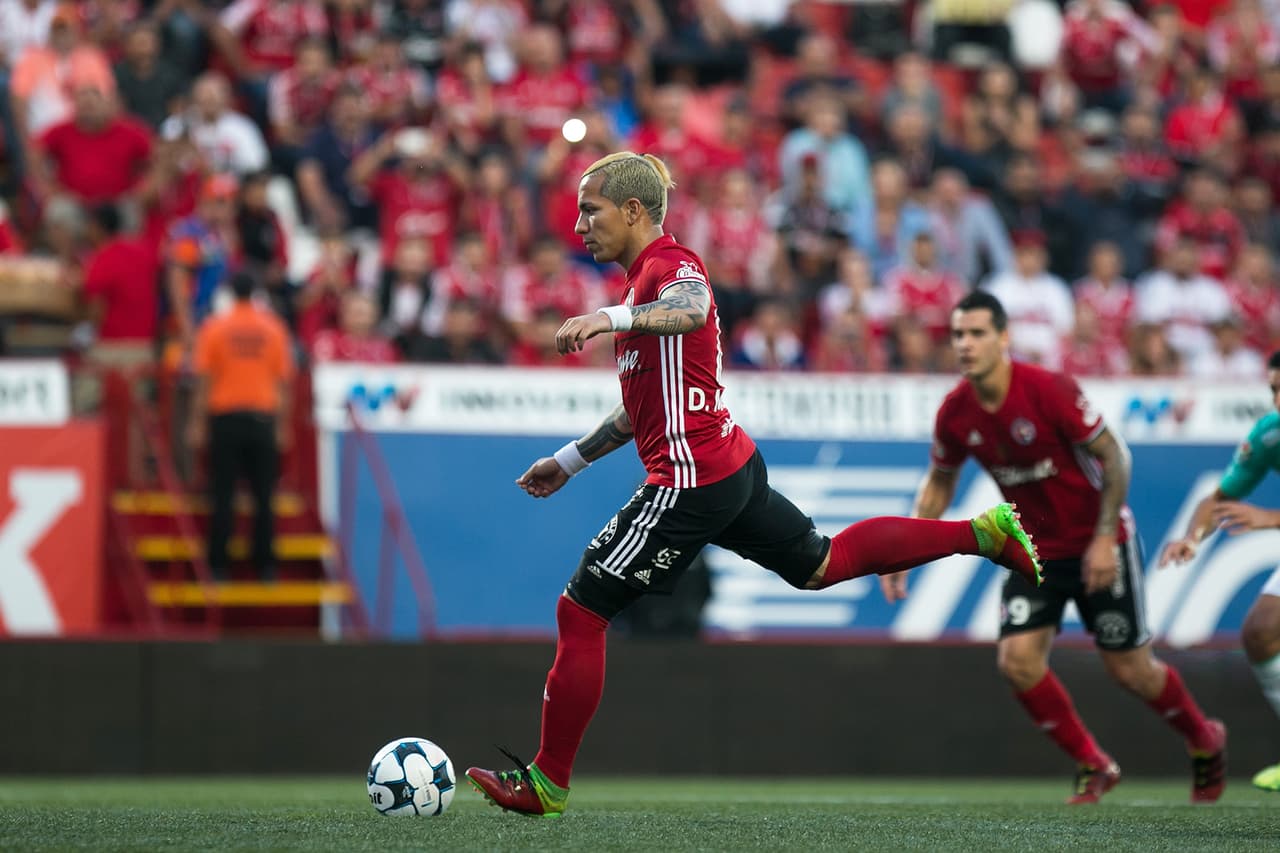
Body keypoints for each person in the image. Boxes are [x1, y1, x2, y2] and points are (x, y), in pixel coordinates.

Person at [464, 152, 1043, 818]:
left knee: (581, 609)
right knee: (821, 564)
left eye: (590, 211)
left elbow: (690, 308)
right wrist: (569, 460)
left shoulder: (671, 265)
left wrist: (610, 319)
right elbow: (640, 409)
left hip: (691, 479)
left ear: (632, 211)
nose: (579, 225)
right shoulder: (640, 285)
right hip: (729, 466)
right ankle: (982, 533)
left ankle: (547, 781)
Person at [883, 290, 1226, 805]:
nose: (966, 344)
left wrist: (1105, 538)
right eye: (958, 335)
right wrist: (906, 546)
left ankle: (1204, 737)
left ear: (1004, 337)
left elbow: (1115, 457)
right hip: (1036, 550)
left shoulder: (1049, 389)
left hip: (1098, 541)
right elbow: (939, 481)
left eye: (977, 333)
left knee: (1130, 669)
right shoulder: (955, 413)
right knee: (1017, 660)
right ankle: (1095, 764)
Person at [1160, 350, 1280, 792]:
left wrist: (1270, 518)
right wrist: (1193, 538)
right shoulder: (1269, 434)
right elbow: (1217, 500)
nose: (1278, 401)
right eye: (1274, 390)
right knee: (1262, 631)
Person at [187, 271, 294, 581]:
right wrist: (283, 426)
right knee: (264, 495)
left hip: (225, 417)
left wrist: (197, 423)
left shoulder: (215, 327)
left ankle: (218, 564)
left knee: (223, 493)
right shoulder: (274, 328)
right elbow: (283, 382)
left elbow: (204, 379)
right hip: (263, 417)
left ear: (231, 294)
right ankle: (266, 564)